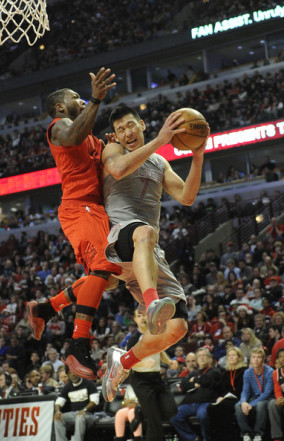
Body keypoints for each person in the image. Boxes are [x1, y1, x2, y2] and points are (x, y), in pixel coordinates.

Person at [27, 69, 177, 379]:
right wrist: (96, 98)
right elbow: (73, 136)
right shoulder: (60, 127)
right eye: (75, 98)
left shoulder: (94, 139)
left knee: (109, 278)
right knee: (102, 268)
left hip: (96, 210)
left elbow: (107, 162)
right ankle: (78, 343)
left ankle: (46, 308)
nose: (80, 101)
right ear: (59, 107)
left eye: (84, 99)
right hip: (78, 207)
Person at [101, 105, 209, 401]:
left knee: (177, 327)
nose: (126, 132)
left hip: (147, 252)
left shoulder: (160, 163)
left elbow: (187, 196)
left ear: (142, 124)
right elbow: (119, 169)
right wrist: (162, 138)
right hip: (117, 239)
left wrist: (197, 155)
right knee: (145, 231)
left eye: (130, 125)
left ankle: (121, 363)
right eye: (120, 128)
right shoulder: (111, 150)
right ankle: (151, 303)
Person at [126, 308, 178, 441]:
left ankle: (141, 411)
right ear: (135, 320)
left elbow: (159, 350)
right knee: (155, 422)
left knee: (171, 409)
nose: (142, 318)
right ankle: (146, 413)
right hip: (140, 380)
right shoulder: (133, 339)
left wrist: (169, 362)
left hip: (156, 378)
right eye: (139, 316)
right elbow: (127, 363)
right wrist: (143, 364)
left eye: (144, 315)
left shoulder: (154, 333)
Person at [170, 346, 222, 441]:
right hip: (189, 404)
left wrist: (194, 381)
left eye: (204, 356)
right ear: (197, 360)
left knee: (202, 415)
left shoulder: (215, 371)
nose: (202, 358)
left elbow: (207, 380)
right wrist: (196, 383)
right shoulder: (193, 373)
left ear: (209, 359)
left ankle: (207, 438)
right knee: (173, 416)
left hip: (205, 402)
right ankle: (194, 438)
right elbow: (184, 385)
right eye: (199, 356)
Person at [234, 347, 274, 441]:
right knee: (238, 405)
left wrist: (251, 404)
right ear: (250, 359)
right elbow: (245, 390)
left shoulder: (270, 372)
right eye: (254, 357)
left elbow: (267, 393)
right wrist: (244, 402)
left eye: (259, 357)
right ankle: (246, 432)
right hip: (254, 397)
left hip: (267, 398)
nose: (256, 360)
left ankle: (258, 433)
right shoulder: (247, 372)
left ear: (263, 359)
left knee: (260, 405)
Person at [207, 347, 247, 441]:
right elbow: (222, 389)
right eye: (229, 355)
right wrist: (220, 397)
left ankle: (229, 436)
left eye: (233, 355)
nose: (231, 357)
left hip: (240, 397)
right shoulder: (225, 373)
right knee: (211, 407)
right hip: (227, 398)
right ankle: (217, 436)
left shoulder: (244, 371)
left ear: (239, 357)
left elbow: (245, 388)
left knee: (224, 406)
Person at [54, 367, 99, 441]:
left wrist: (84, 410)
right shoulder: (67, 387)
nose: (72, 375)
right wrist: (58, 411)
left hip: (88, 414)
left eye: (74, 372)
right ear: (68, 375)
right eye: (70, 373)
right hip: (73, 414)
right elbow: (59, 402)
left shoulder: (89, 384)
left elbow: (94, 401)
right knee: (58, 418)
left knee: (80, 416)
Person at [268, 348, 284, 441]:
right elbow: (277, 390)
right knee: (272, 404)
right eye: (280, 357)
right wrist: (279, 398)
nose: (282, 359)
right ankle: (277, 437)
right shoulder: (276, 373)